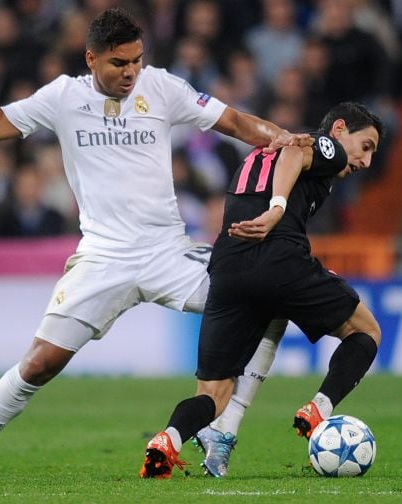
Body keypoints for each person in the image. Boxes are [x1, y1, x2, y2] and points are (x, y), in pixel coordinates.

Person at [0, 8, 310, 478]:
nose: (131, 72)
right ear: (91, 58)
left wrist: (285, 138)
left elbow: (233, 122)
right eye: (119, 63)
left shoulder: (162, 87)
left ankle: (222, 432)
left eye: (137, 61)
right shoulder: (63, 97)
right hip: (103, 257)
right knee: (40, 363)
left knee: (270, 299)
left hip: (169, 252)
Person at [140, 102, 384, 479]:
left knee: (212, 393)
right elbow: (295, 151)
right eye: (365, 146)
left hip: (228, 267)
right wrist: (277, 208)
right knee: (366, 331)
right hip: (279, 257)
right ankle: (320, 406)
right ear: (339, 129)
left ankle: (168, 440)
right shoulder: (324, 147)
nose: (366, 161)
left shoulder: (259, 154)